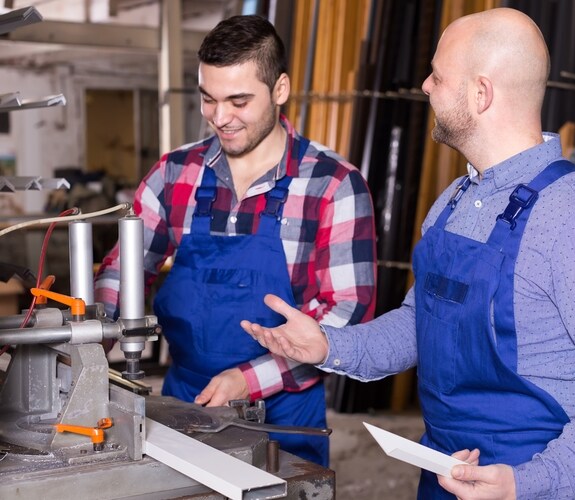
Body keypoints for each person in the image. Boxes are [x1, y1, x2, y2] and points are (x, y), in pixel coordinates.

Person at [241, 8, 575, 499]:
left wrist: (528, 483)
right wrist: (328, 347)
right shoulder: (453, 203)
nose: (426, 86)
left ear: (481, 93)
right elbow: (419, 323)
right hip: (444, 473)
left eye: (437, 75)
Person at [94, 14, 377, 467]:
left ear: (279, 90)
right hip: (184, 395)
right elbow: (123, 268)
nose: (220, 118)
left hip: (282, 407)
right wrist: (94, 339)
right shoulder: (174, 173)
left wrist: (251, 378)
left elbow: (346, 315)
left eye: (238, 101)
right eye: (209, 99)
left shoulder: (333, 185)